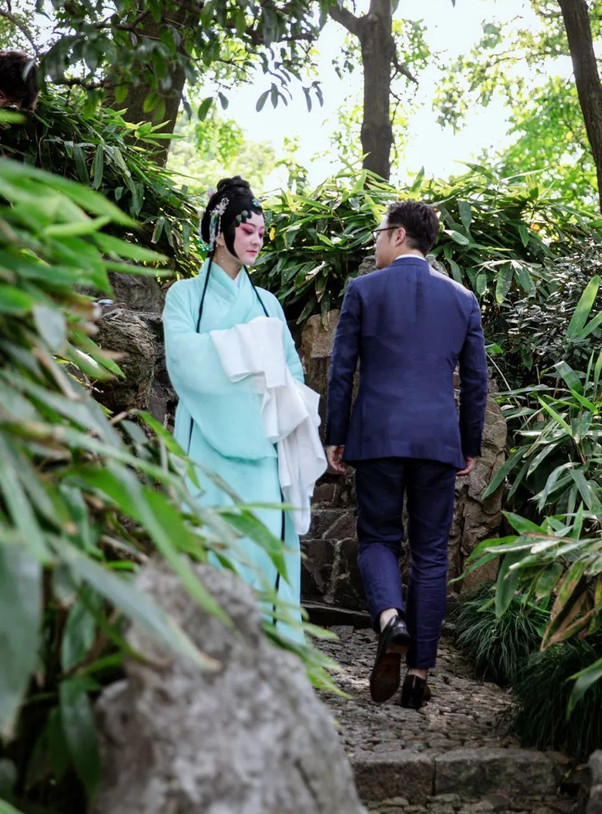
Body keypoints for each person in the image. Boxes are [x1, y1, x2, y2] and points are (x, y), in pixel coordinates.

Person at [325, 200, 488, 708]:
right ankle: (418, 675)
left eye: (379, 233)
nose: (375, 242)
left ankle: (390, 619)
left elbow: (341, 370)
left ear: (398, 235)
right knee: (431, 551)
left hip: (377, 436)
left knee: (377, 536)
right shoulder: (462, 299)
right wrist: (468, 444)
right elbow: (476, 382)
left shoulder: (363, 290)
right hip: (438, 441)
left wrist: (335, 434)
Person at [163, 175, 324, 638]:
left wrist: (269, 384)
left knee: (262, 547)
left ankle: (267, 653)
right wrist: (252, 353)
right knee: (210, 542)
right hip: (204, 444)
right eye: (248, 230)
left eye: (261, 233)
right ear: (219, 233)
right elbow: (183, 361)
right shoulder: (184, 296)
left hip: (264, 445)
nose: (257, 240)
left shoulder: (268, 303)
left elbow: (291, 373)